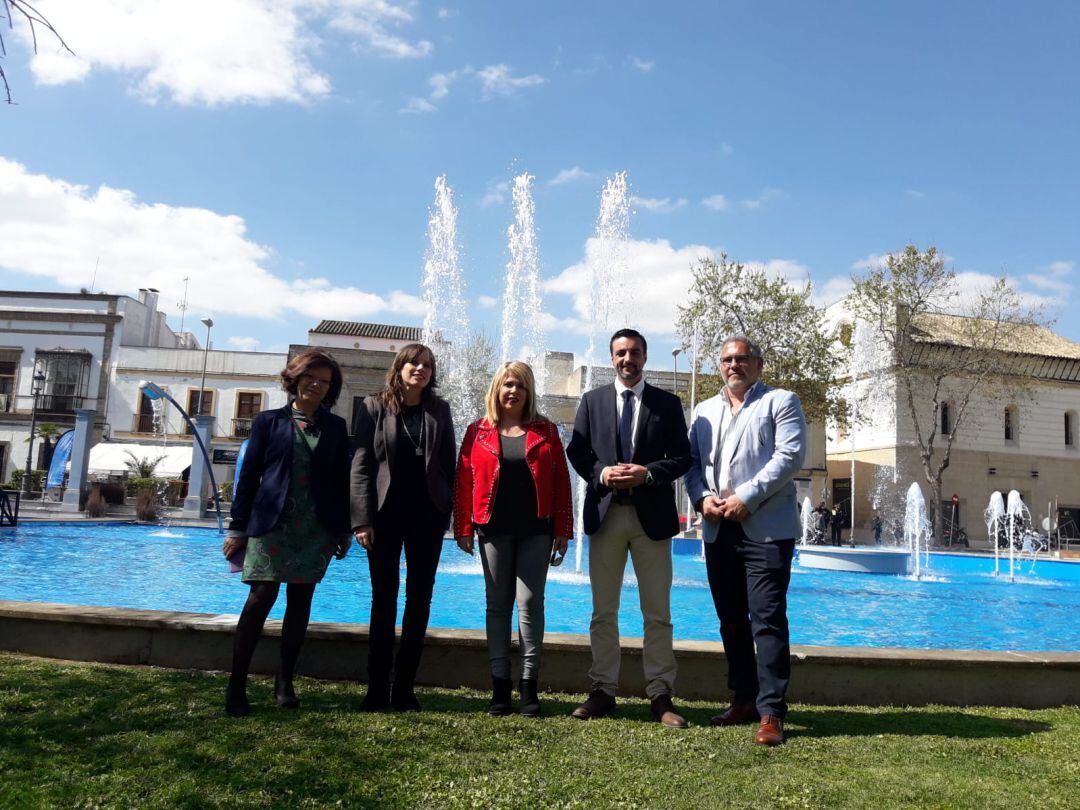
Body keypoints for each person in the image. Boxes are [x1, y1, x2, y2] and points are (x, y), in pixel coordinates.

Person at [566, 328, 692, 728]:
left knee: (658, 613)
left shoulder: (667, 404)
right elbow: (577, 451)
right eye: (620, 353)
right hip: (606, 516)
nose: (627, 359)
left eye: (634, 352)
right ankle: (603, 690)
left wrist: (648, 473)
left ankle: (660, 693)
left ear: (644, 357)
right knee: (603, 612)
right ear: (612, 358)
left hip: (650, 519)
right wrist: (602, 474)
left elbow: (683, 457)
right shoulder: (592, 401)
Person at [684, 335, 806, 746]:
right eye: (727, 360)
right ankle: (744, 700)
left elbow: (789, 457)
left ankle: (771, 712)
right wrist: (702, 498)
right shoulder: (704, 410)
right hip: (718, 527)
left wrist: (746, 498)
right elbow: (692, 465)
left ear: (758, 364)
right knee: (731, 620)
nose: (733, 365)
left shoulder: (781, 402)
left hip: (766, 528)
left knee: (767, 619)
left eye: (742, 358)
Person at [222, 349, 352, 717]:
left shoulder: (336, 427)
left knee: (300, 602)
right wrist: (238, 527)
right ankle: (237, 683)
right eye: (310, 377)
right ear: (295, 378)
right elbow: (249, 477)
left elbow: (341, 481)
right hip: (272, 524)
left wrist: (342, 529)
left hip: (314, 528)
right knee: (260, 598)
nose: (316, 385)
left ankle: (285, 682)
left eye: (324, 381)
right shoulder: (268, 421)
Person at [453, 361, 573, 717]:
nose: (513, 391)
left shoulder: (546, 431)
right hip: (492, 529)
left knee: (531, 604)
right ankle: (500, 687)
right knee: (497, 604)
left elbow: (562, 481)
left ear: (528, 391)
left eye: (520, 385)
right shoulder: (478, 431)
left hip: (537, 529)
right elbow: (464, 480)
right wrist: (463, 527)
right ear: (497, 389)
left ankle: (528, 686)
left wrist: (563, 529)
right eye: (507, 384)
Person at [350, 343, 456, 712]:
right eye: (414, 363)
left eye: (427, 365)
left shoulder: (439, 410)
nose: (420, 369)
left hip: (427, 517)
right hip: (383, 516)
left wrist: (446, 509)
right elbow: (361, 464)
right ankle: (377, 688)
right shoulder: (373, 406)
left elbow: (448, 464)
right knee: (384, 599)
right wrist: (361, 519)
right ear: (400, 367)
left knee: (419, 600)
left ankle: (405, 689)